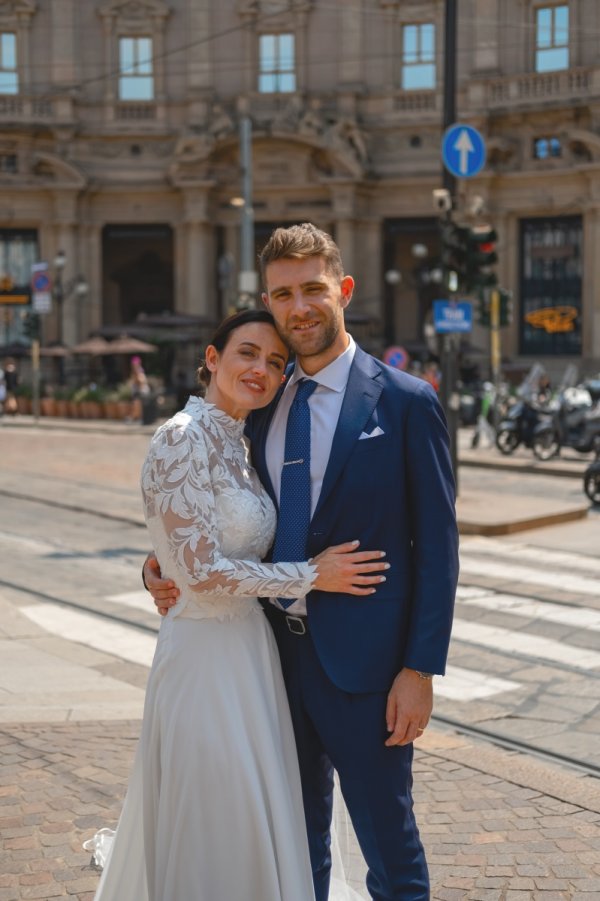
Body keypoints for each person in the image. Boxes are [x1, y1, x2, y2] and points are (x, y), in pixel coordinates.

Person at [145, 224, 459, 901]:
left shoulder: (405, 401)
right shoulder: (262, 403)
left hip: (369, 672)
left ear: (342, 289)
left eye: (313, 288)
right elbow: (222, 510)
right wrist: (160, 561)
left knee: (390, 850)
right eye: (283, 293)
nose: (300, 306)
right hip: (270, 662)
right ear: (270, 299)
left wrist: (420, 669)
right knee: (295, 844)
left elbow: (437, 548)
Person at [88, 308, 388, 901]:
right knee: (215, 809)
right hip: (202, 660)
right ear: (212, 359)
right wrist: (312, 576)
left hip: (253, 654)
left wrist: (158, 566)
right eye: (248, 353)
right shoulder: (180, 436)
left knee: (258, 809)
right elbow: (199, 573)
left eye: (276, 363)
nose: (262, 369)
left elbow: (197, 547)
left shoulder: (243, 441)